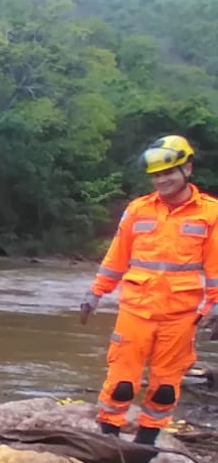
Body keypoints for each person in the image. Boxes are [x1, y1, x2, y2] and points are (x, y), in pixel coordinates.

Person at [80, 135, 218, 445]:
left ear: (187, 169)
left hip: (181, 315)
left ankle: (146, 443)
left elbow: (216, 267)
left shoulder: (210, 213)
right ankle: (108, 438)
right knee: (121, 383)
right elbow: (116, 257)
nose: (162, 180)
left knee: (166, 386)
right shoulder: (138, 210)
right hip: (135, 309)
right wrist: (96, 292)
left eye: (168, 173)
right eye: (156, 175)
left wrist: (216, 305)